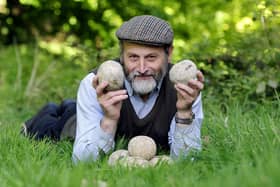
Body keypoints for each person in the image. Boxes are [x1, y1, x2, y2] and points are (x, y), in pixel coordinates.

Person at [72, 15, 204, 163]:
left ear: (169, 54)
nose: (142, 68)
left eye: (151, 57)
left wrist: (184, 113)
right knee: (52, 122)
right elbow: (81, 162)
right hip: (68, 121)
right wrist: (109, 120)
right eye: (133, 57)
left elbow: (189, 162)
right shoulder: (96, 83)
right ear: (121, 56)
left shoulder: (186, 88)